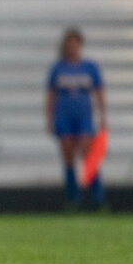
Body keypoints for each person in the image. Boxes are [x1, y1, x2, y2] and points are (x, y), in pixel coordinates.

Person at [46, 28, 106, 209]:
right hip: (64, 116)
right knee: (68, 156)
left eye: (75, 44)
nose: (73, 48)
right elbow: (51, 95)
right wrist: (50, 118)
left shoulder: (90, 67)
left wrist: (103, 116)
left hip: (84, 116)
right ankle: (73, 198)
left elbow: (99, 92)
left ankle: (98, 198)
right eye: (69, 45)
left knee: (88, 154)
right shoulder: (58, 68)